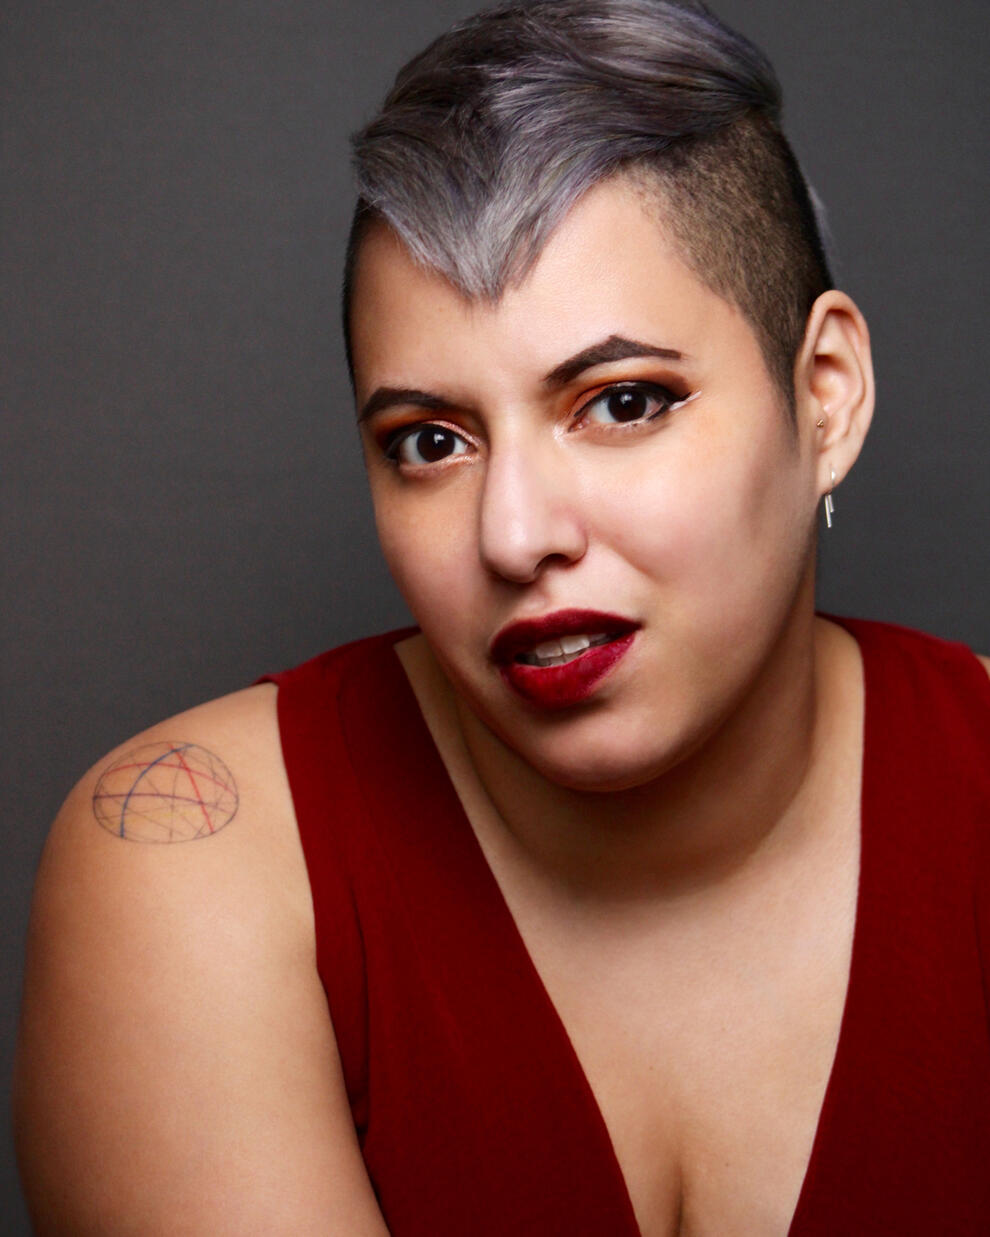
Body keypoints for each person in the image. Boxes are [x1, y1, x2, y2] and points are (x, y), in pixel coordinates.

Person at [14, 0, 990, 1233]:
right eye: (430, 441)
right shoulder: (192, 862)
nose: (514, 534)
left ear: (826, 398)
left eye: (622, 402)